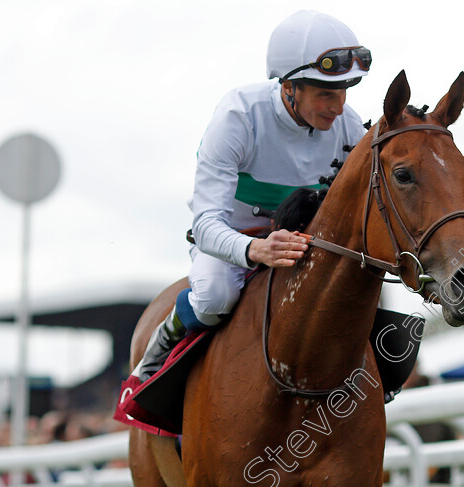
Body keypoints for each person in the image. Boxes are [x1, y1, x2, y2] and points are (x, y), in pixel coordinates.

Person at [131, 10, 371, 381]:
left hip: (303, 243)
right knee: (214, 297)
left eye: (343, 92)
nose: (338, 108)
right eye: (326, 94)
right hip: (233, 242)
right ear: (289, 86)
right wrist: (257, 249)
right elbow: (207, 224)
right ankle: (165, 339)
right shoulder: (238, 116)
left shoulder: (349, 126)